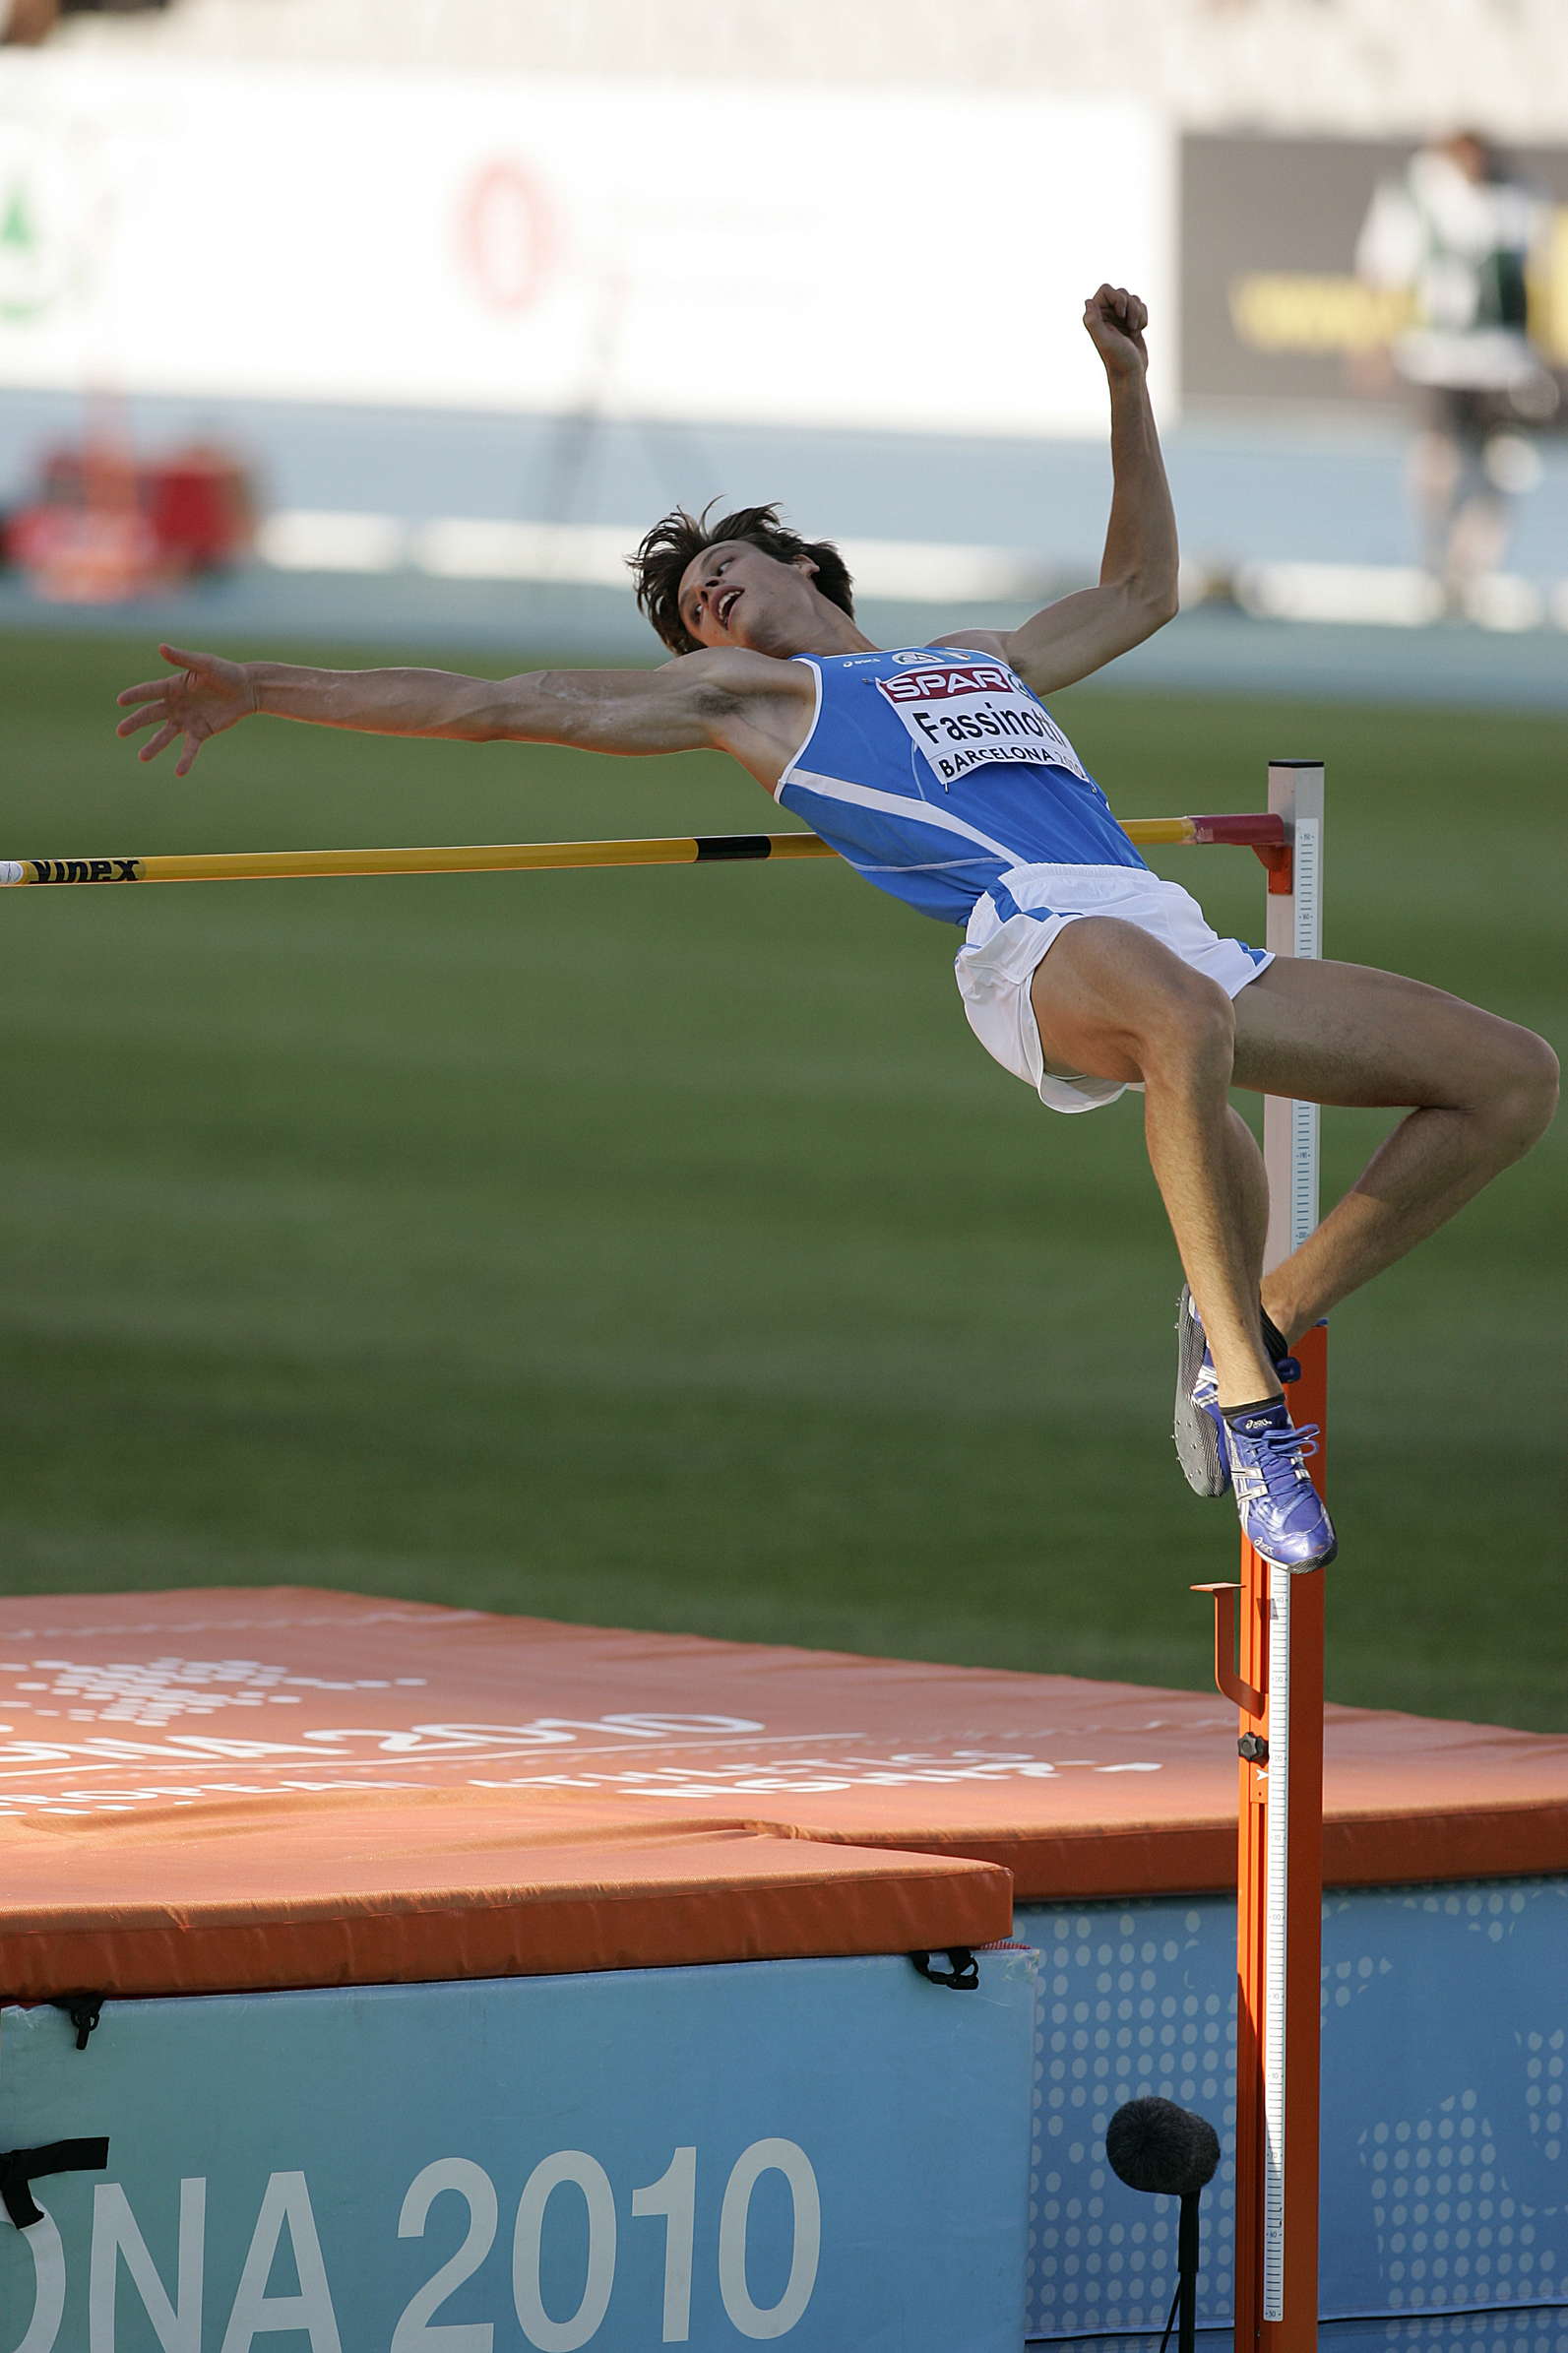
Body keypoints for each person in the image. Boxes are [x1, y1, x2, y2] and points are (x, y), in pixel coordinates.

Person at [114, 286, 1558, 1573]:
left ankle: (1253, 1317)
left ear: (806, 567)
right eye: (694, 609)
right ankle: (1253, 1414)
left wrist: (1125, 383)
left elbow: (1140, 591)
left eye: (726, 571)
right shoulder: (748, 701)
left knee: (1508, 1078)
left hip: (1159, 921)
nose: (710, 599)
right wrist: (269, 684)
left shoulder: (974, 658)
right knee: (1184, 1026)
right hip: (1029, 943)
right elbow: (498, 703)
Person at [1355, 130, 1556, 614]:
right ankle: (1435, 556)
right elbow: (1381, 271)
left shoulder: (1520, 199)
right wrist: (1373, 340)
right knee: (1438, 461)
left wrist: (1545, 351)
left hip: (1503, 360)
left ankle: (1473, 570)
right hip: (1438, 356)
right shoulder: (1415, 196)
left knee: (1500, 466)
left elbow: (1540, 279)